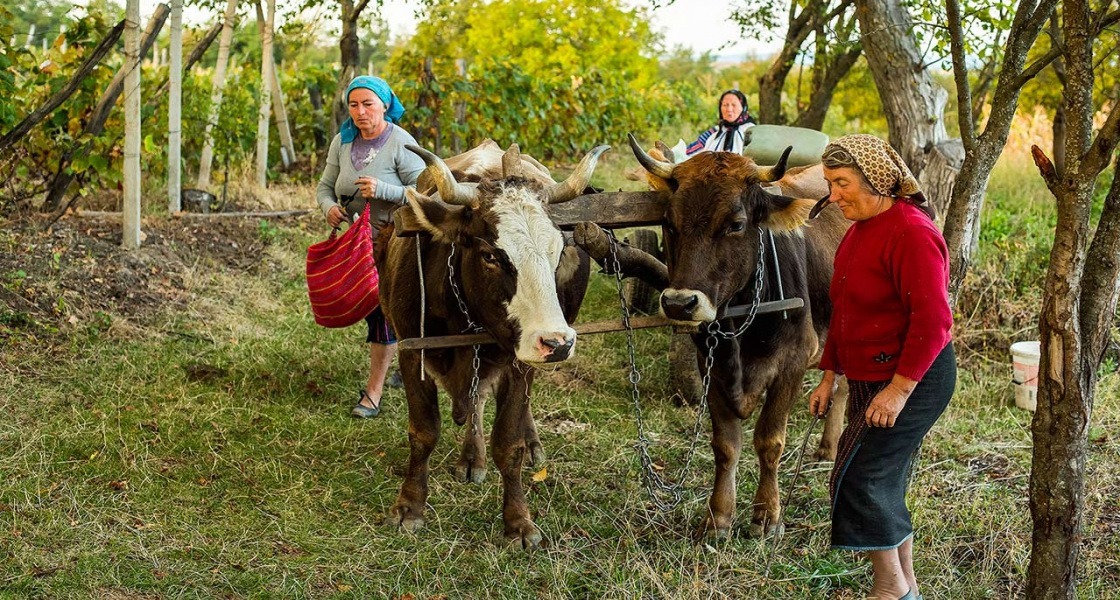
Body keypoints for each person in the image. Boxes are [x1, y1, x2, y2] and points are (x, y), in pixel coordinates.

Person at [807, 134, 955, 600]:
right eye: (830, 184)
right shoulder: (856, 230)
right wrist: (830, 375)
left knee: (859, 475)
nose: (834, 196)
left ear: (878, 180)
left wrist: (899, 391)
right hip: (872, 377)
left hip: (915, 377)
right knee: (881, 477)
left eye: (843, 183)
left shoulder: (912, 231)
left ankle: (890, 588)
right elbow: (843, 311)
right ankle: (905, 587)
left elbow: (934, 322)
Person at [316, 76, 425, 418]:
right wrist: (329, 208)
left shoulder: (401, 143)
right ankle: (410, 363)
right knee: (375, 309)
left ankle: (373, 394)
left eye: (368, 104)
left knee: (382, 314)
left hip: (397, 245)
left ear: (385, 105)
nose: (361, 112)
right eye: (353, 105)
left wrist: (384, 190)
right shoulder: (342, 142)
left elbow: (424, 193)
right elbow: (324, 187)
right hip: (358, 246)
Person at [684, 89, 757, 156]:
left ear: (743, 108)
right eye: (725, 105)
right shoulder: (715, 132)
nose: (729, 109)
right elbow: (691, 150)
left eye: (734, 105)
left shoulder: (752, 132)